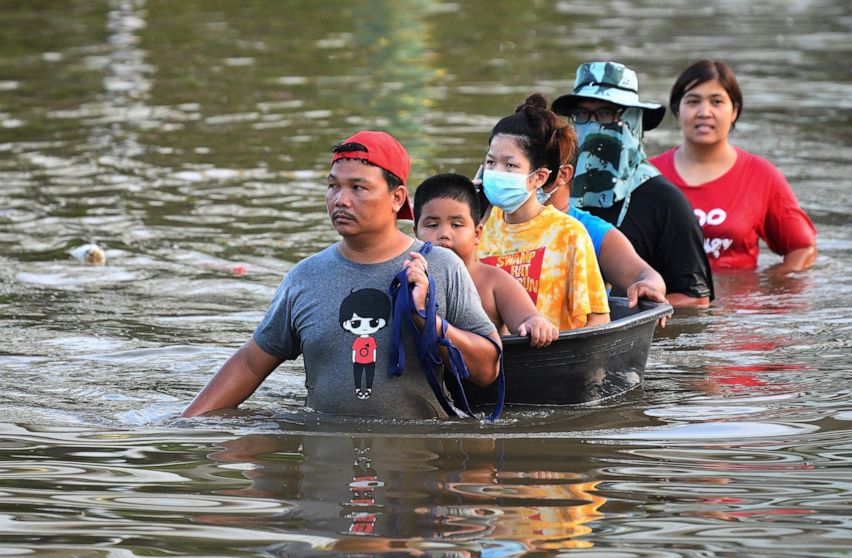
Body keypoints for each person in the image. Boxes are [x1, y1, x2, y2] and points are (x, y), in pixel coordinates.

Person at [183, 131, 501, 419]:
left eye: (358, 187)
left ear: (397, 197)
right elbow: (251, 363)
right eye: (333, 186)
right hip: (326, 464)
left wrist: (426, 320)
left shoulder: (440, 266)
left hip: (418, 468)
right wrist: (184, 424)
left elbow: (487, 370)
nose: (341, 200)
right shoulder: (305, 277)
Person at [551, 61, 714, 308]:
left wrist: (625, 310)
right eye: (582, 115)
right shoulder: (555, 189)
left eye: (606, 113)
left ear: (633, 121)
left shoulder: (664, 200)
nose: (594, 126)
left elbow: (695, 298)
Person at [649, 59, 817, 272]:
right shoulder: (648, 176)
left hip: (739, 304)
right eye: (693, 101)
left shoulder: (761, 175)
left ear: (734, 111)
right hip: (669, 304)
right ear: (676, 109)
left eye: (716, 102)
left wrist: (769, 287)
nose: (704, 112)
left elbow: (803, 249)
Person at [476, 93, 610, 331]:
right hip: (492, 358)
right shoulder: (478, 228)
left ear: (538, 177)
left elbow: (598, 320)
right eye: (490, 162)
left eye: (510, 165)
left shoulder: (568, 234)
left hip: (552, 358)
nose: (496, 172)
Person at [413, 172, 559, 347]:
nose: (444, 234)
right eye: (432, 225)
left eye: (456, 225)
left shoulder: (493, 280)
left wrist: (535, 323)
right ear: (415, 234)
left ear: (477, 234)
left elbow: (527, 317)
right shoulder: (408, 277)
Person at [536, 127, 668, 311]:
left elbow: (646, 275)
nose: (500, 174)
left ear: (562, 174)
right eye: (492, 162)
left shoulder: (590, 231)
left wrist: (648, 286)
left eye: (511, 165)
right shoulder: (488, 223)